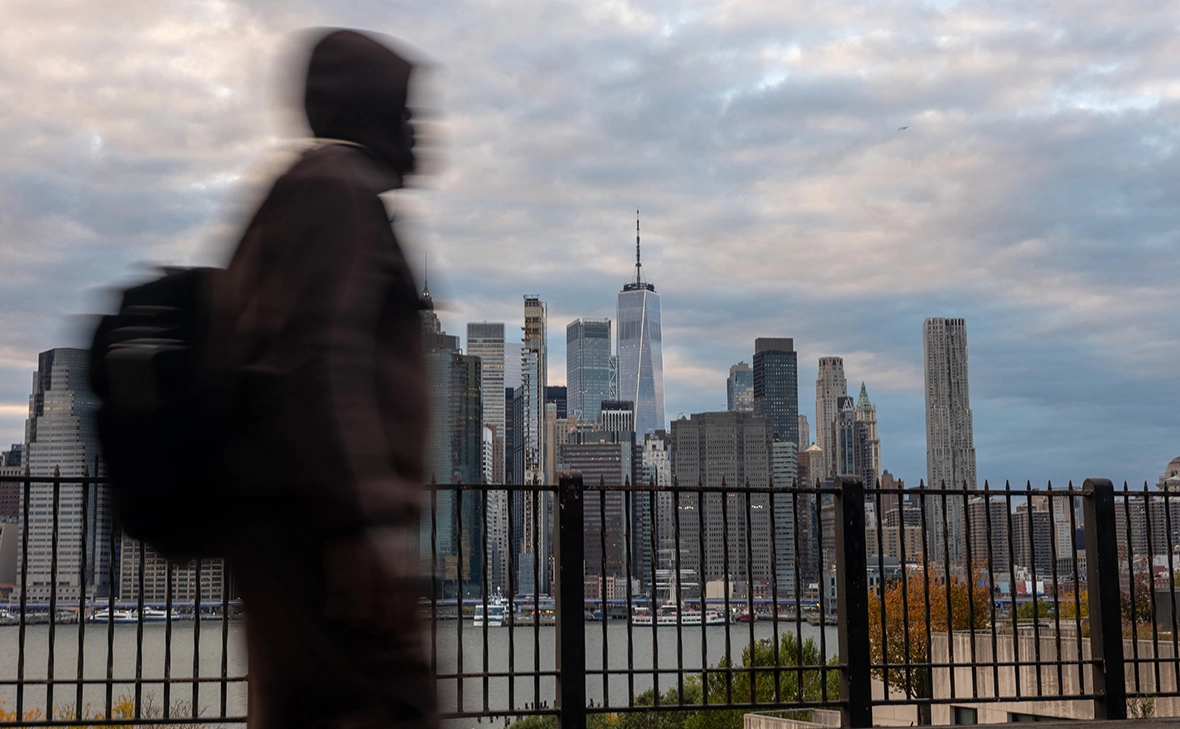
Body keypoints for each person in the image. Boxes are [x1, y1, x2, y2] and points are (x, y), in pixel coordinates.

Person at [206, 29, 435, 729]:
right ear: (366, 109)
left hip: (296, 540)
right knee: (387, 709)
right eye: (404, 107)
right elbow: (317, 360)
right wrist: (361, 521)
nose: (418, 126)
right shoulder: (335, 188)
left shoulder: (306, 190)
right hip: (327, 550)